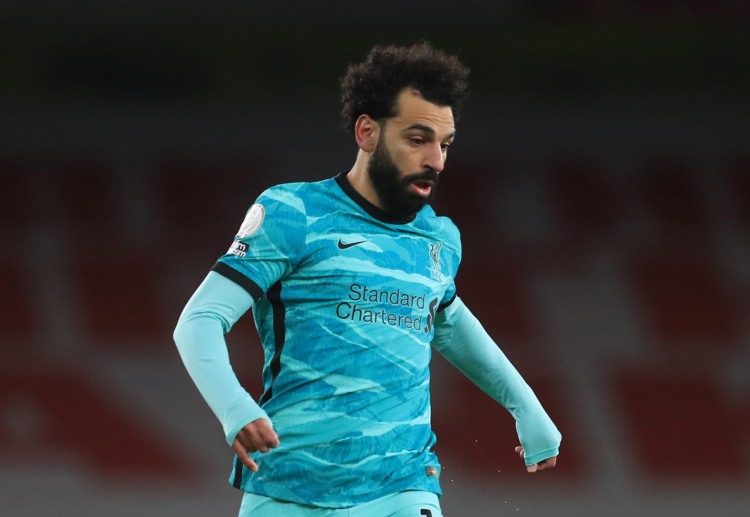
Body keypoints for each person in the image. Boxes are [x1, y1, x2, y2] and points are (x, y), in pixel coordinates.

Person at [173, 41, 561, 517]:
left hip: (404, 486)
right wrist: (234, 406)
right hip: (290, 486)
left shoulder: (439, 239)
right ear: (367, 132)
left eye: (444, 144)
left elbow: (449, 322)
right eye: (417, 139)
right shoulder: (294, 213)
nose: (436, 160)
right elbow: (200, 320)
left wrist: (526, 406)